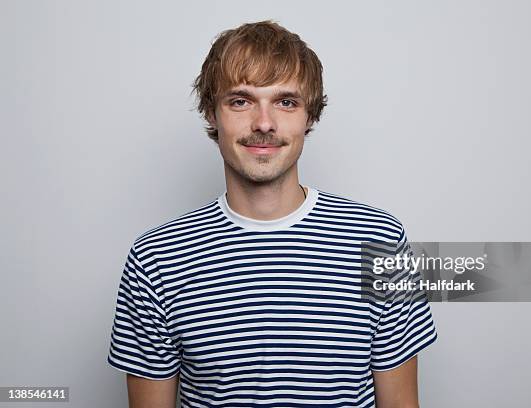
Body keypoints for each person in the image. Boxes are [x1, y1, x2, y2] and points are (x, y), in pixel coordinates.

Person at [107, 20, 438, 408]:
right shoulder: (156, 258)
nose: (263, 123)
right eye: (240, 101)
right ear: (212, 114)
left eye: (286, 102)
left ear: (309, 116)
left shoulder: (380, 240)